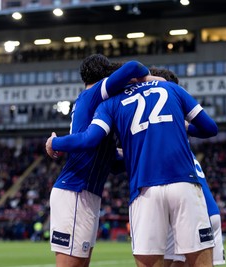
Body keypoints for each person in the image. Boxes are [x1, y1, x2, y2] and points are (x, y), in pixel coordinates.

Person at [46, 75, 218, 267]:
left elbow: (90, 139)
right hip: (183, 183)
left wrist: (55, 142)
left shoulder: (110, 103)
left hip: (144, 190)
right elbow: (210, 128)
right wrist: (183, 124)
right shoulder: (171, 88)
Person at [49, 54, 151, 267]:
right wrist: (147, 79)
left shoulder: (95, 106)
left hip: (86, 193)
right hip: (75, 190)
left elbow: (111, 162)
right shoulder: (95, 93)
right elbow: (133, 66)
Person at [148, 67, 225, 267]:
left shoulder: (158, 132)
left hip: (187, 207)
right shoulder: (179, 131)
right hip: (209, 207)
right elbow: (208, 128)